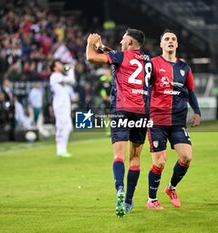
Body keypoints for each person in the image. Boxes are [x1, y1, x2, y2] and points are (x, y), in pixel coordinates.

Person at [86, 29, 152, 217]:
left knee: (119, 156)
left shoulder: (120, 56)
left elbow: (91, 58)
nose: (121, 40)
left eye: (123, 38)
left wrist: (91, 43)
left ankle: (119, 189)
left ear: (130, 43)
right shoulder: (147, 60)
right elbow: (123, 56)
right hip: (142, 112)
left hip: (122, 110)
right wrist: (104, 48)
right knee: (135, 158)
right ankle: (129, 201)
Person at [146, 29, 201, 209]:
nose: (170, 41)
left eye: (173, 39)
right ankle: (152, 200)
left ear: (177, 44)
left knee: (186, 157)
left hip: (177, 121)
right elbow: (143, 88)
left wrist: (197, 112)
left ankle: (171, 188)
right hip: (156, 120)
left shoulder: (185, 68)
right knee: (160, 161)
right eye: (167, 39)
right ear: (161, 44)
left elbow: (191, 91)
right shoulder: (153, 64)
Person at [49, 59, 75, 157]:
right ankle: (61, 150)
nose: (61, 65)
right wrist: (71, 70)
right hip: (60, 105)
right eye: (59, 64)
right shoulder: (54, 76)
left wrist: (68, 70)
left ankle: (61, 150)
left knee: (63, 127)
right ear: (54, 67)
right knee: (64, 127)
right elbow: (71, 80)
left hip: (63, 105)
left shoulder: (59, 76)